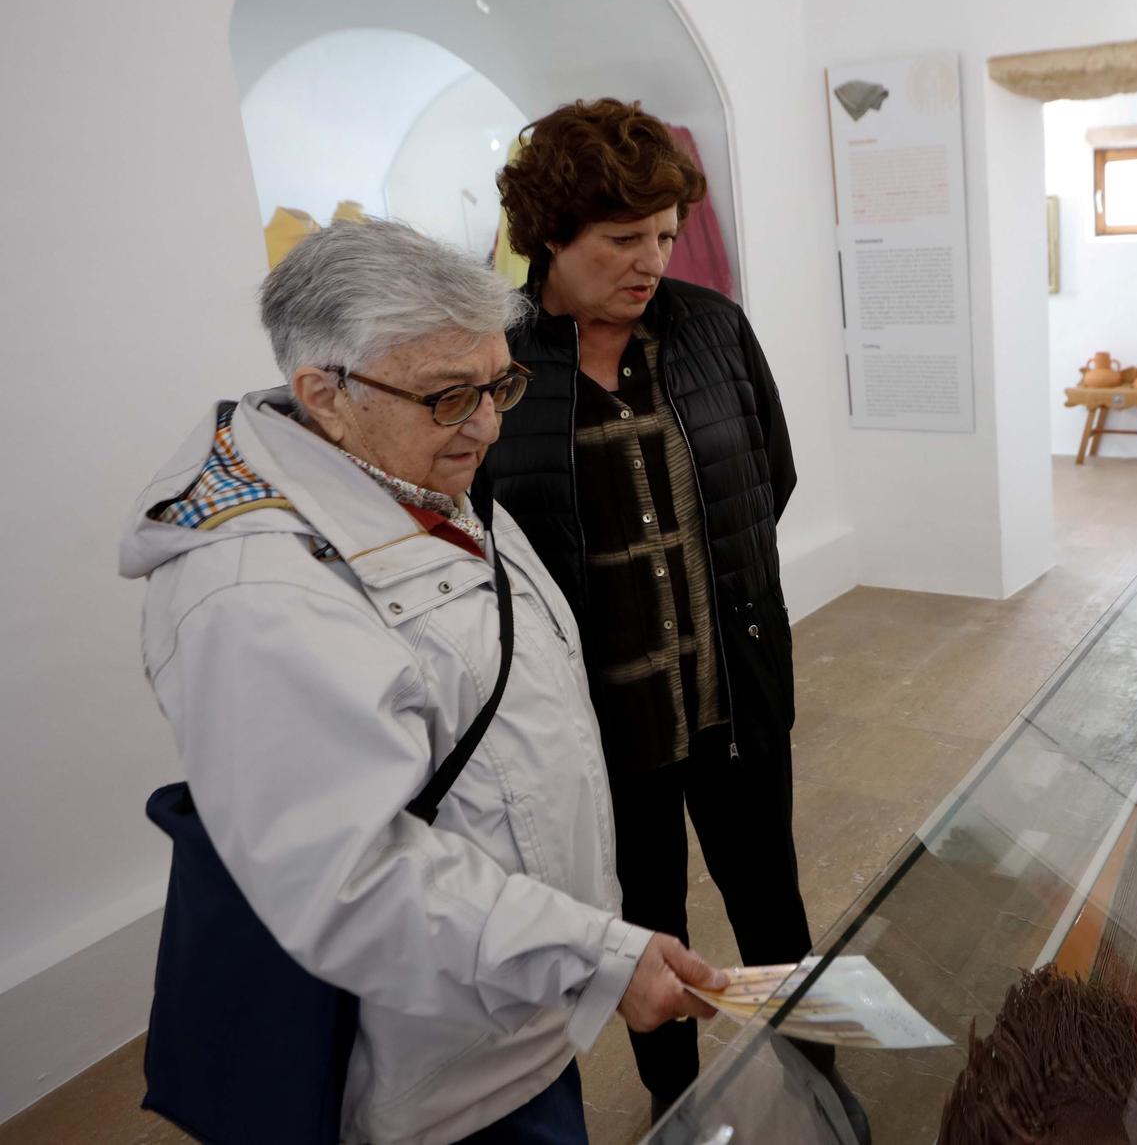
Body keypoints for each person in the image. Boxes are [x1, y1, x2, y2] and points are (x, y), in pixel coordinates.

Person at [120, 220, 725, 1145]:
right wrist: (590, 953)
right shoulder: (255, 594)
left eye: (499, 384)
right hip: (429, 1073)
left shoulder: (411, 471)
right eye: (450, 397)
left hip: (503, 1011)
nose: (487, 422)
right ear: (324, 392)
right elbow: (354, 877)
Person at [485, 99, 863, 1134]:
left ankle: (812, 1077)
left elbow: (766, 479)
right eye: (620, 239)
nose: (650, 259)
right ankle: (677, 1106)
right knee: (644, 930)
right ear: (549, 234)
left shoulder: (711, 328)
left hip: (730, 687)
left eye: (661, 233)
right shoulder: (495, 369)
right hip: (602, 728)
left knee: (771, 902)